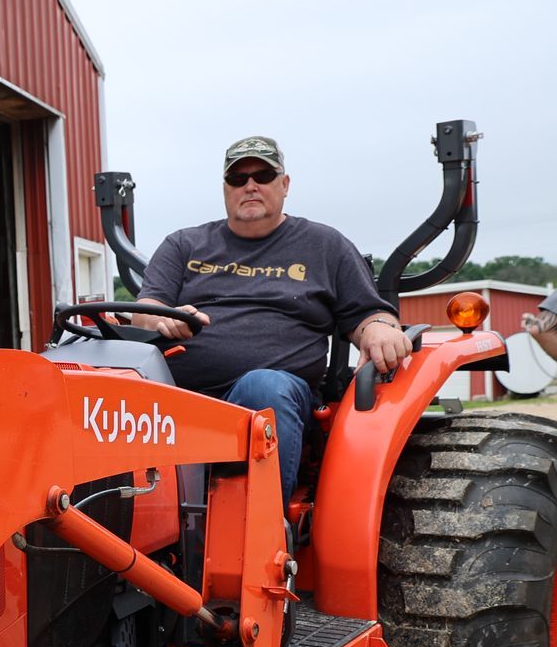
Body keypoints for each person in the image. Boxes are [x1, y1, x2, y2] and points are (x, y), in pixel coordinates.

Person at [118, 135, 410, 500]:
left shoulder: (324, 245)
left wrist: (380, 329)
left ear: (284, 184)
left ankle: (262, 538)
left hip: (273, 395)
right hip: (177, 396)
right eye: (238, 179)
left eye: (263, 175)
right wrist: (166, 318)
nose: (250, 186)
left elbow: (368, 313)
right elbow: (144, 316)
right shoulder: (183, 244)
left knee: (263, 388)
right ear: (225, 188)